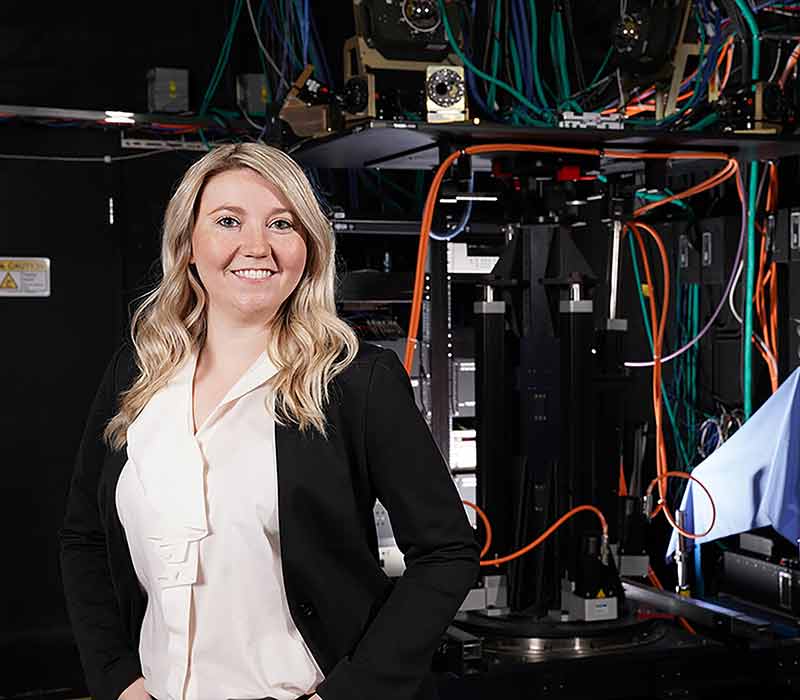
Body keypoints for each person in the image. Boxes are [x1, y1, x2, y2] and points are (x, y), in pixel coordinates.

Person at [59, 142, 480, 700]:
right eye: (227, 221)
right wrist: (115, 678)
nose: (256, 247)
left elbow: (447, 552)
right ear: (188, 245)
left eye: (282, 224)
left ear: (308, 246)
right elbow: (84, 537)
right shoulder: (136, 372)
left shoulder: (354, 381)